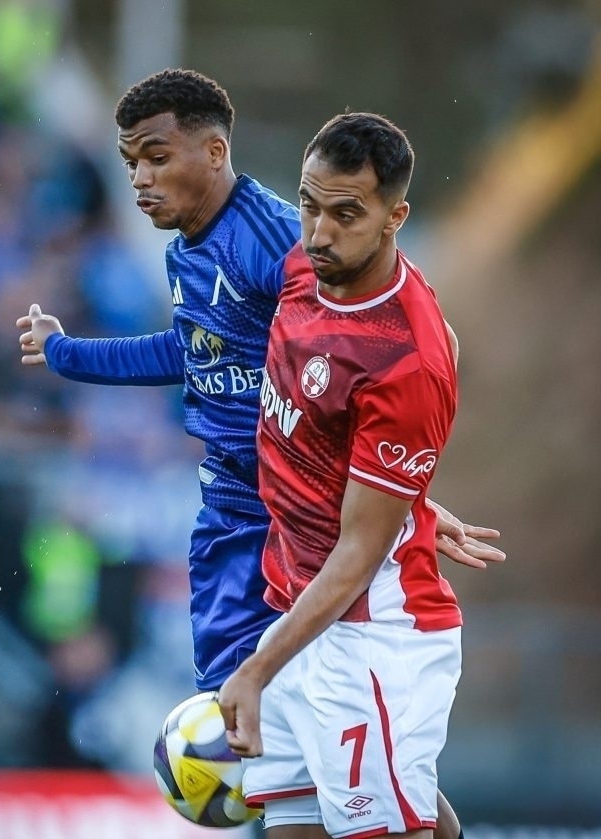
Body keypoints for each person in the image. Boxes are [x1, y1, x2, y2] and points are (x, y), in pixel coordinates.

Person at [17, 69, 503, 839]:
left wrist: (399, 491)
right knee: (300, 779)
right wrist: (67, 353)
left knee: (349, 769)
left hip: (296, 540)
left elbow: (401, 361)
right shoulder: (193, 252)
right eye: (130, 161)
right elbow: (192, 352)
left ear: (214, 152)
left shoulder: (283, 246)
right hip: (244, 518)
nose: (140, 178)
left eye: (156, 157)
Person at [217, 111, 467, 839]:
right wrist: (400, 490)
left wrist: (256, 669)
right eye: (310, 205)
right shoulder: (309, 266)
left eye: (346, 215)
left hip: (371, 630)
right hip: (299, 611)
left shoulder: (405, 362)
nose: (320, 232)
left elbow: (358, 556)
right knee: (307, 824)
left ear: (395, 218)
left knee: (390, 824)